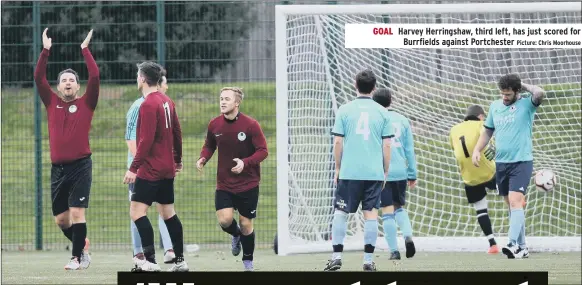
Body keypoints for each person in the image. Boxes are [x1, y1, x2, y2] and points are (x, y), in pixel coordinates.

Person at [33, 28, 98, 270]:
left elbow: (95, 76)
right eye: (63, 81)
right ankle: (82, 247)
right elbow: (39, 78)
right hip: (57, 169)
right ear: (59, 87)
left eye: (72, 80)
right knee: (61, 220)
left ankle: (75, 258)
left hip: (81, 166)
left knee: (77, 212)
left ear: (78, 87)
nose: (68, 83)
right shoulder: (51, 102)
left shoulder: (87, 103)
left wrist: (85, 49)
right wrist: (46, 50)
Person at [324, 70, 393, 272]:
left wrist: (338, 167)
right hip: (373, 173)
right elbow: (387, 146)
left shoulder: (345, 110)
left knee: (341, 212)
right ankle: (368, 261)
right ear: (374, 87)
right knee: (371, 215)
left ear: (355, 84)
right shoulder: (382, 112)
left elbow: (337, 141)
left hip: (349, 172)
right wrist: (385, 171)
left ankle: (336, 257)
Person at [472, 74, 545, 259]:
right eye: (502, 93)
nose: (504, 97)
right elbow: (488, 131)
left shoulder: (527, 105)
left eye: (508, 94)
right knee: (512, 206)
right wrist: (477, 150)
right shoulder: (494, 107)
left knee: (515, 202)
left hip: (522, 161)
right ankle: (522, 246)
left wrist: (522, 85)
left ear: (516, 91)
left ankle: (512, 243)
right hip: (501, 164)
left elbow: (540, 92)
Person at [123, 62, 187, 272]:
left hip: (150, 170)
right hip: (167, 168)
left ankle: (149, 262)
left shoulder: (148, 104)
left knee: (137, 212)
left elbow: (145, 141)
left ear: (142, 79)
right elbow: (177, 132)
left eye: (137, 76)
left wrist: (134, 168)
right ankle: (180, 261)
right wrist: (177, 159)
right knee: (168, 213)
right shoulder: (167, 100)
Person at [196, 87, 268, 272]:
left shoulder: (251, 125)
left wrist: (245, 163)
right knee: (225, 221)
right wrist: (203, 158)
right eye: (221, 98)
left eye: (227, 99)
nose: (222, 102)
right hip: (224, 183)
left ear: (237, 103)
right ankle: (235, 235)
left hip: (248, 184)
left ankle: (248, 262)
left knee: (246, 223)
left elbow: (263, 151)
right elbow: (209, 145)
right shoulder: (214, 124)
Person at [372, 88, 418, 260]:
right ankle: (408, 236)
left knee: (387, 211)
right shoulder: (402, 120)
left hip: (382, 172)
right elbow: (409, 149)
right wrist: (412, 173)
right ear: (390, 101)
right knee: (399, 207)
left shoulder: (376, 120)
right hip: (400, 171)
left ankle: (394, 251)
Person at [449, 105, 499, 254]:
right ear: (481, 116)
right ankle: (516, 239)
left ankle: (492, 245)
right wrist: (493, 147)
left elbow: (455, 149)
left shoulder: (453, 130)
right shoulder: (480, 124)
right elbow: (487, 135)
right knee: (511, 197)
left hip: (469, 176)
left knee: (481, 209)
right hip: (488, 170)